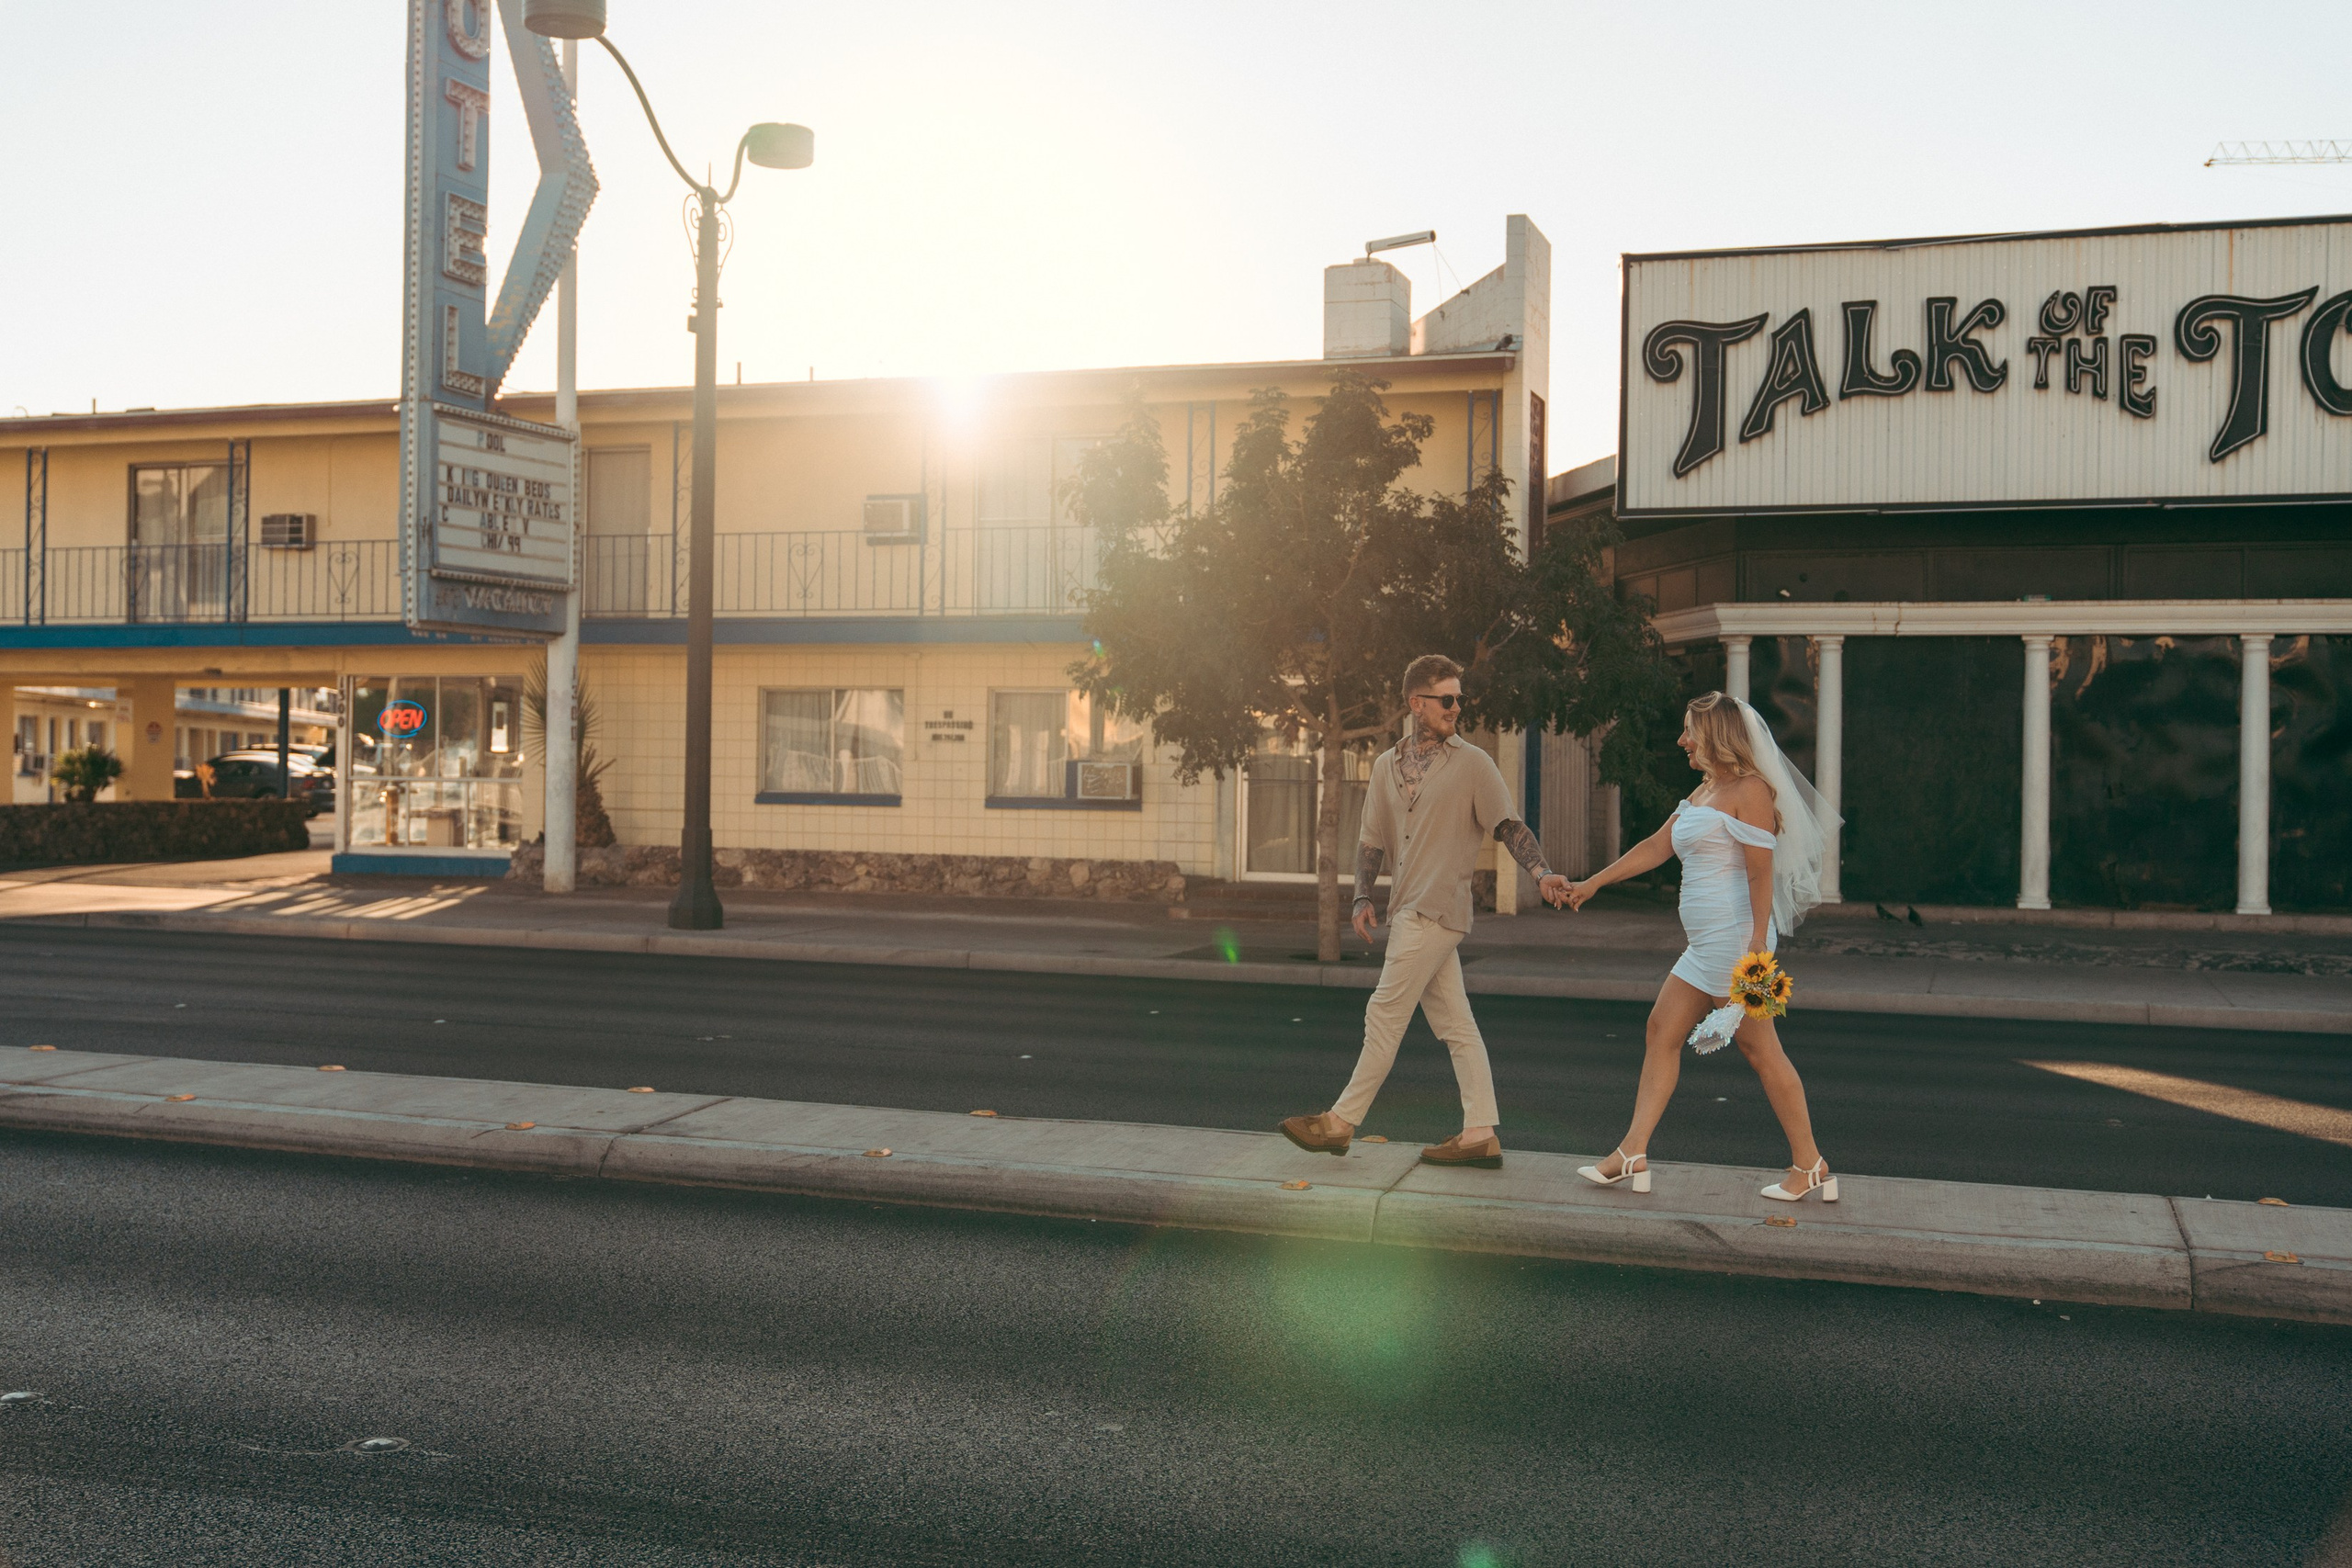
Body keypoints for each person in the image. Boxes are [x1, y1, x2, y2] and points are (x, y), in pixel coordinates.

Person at [1280, 654, 1570, 1169]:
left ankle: (1341, 1122)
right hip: (1406, 906)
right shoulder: (1384, 766)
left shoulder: (1474, 763)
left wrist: (1542, 873)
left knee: (1384, 1014)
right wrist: (1362, 896)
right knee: (1456, 1025)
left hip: (1435, 910)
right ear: (1417, 703)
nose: (1456, 707)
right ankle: (1480, 1132)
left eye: (1459, 699)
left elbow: (1508, 825)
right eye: (1446, 699)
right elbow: (1370, 841)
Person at [1564, 691, 1841, 1202]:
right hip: (1704, 945)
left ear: (1715, 734)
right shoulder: (1705, 791)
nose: (1681, 740)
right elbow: (1655, 846)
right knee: (1660, 1030)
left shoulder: (1751, 790)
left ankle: (1810, 1165)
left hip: (1736, 941)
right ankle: (1632, 1153)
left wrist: (1757, 949)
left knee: (1761, 1051)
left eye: (1689, 730)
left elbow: (1761, 873)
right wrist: (1591, 884)